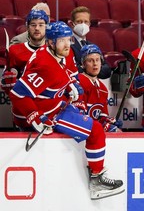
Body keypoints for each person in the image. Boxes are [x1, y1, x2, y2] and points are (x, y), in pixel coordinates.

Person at [9, 21, 124, 200]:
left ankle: (96, 177)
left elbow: (70, 72)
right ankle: (96, 180)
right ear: (51, 43)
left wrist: (72, 85)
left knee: (92, 123)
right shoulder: (44, 65)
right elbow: (18, 94)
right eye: (61, 40)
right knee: (96, 130)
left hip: (58, 104)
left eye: (68, 39)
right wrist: (35, 117)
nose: (67, 44)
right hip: (47, 112)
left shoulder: (67, 52)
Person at [1, 9, 49, 95]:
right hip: (24, 99)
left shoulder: (54, 50)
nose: (37, 28)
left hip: (49, 101)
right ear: (27, 27)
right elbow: (4, 82)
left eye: (41, 25)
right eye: (33, 25)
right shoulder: (15, 51)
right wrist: (7, 81)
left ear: (46, 27)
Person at [78, 44, 123, 132]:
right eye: (90, 60)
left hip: (94, 129)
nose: (95, 64)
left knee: (118, 132)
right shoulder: (79, 83)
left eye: (97, 60)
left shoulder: (103, 88)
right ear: (83, 64)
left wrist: (109, 122)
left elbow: (102, 117)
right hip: (82, 130)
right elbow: (79, 117)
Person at [68, 6, 111, 79]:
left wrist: (87, 69)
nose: (83, 24)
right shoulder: (67, 44)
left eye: (86, 22)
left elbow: (106, 70)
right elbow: (73, 69)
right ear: (72, 24)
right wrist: (94, 70)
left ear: (89, 24)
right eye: (79, 21)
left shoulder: (91, 45)